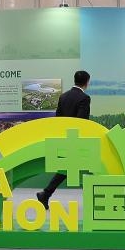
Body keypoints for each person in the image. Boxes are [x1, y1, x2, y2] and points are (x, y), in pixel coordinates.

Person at [37, 70, 91, 208]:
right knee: (85, 166)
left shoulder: (63, 97)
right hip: (76, 140)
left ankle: (46, 193)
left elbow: (58, 120)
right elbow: (81, 122)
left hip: (64, 138)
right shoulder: (84, 98)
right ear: (86, 82)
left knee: (66, 168)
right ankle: (46, 193)